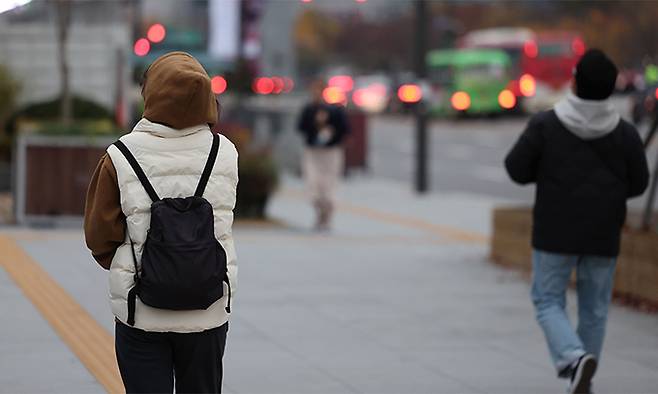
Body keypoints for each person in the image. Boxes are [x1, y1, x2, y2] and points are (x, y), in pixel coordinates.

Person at [84, 52, 238, 393]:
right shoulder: (224, 152)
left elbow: (99, 235)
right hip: (208, 308)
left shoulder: (120, 155)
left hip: (141, 309)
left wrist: (135, 262)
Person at [504, 49, 649, 394]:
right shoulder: (626, 134)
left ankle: (572, 358)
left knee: (547, 300)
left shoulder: (545, 124)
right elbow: (639, 184)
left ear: (574, 81)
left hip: (554, 231)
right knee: (595, 309)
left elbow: (516, 169)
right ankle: (581, 378)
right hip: (603, 233)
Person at [297, 79, 350, 230]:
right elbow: (301, 127)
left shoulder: (336, 110)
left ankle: (327, 214)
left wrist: (333, 133)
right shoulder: (308, 110)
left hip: (331, 151)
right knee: (313, 183)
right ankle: (319, 210)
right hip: (313, 151)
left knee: (329, 184)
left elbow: (345, 129)